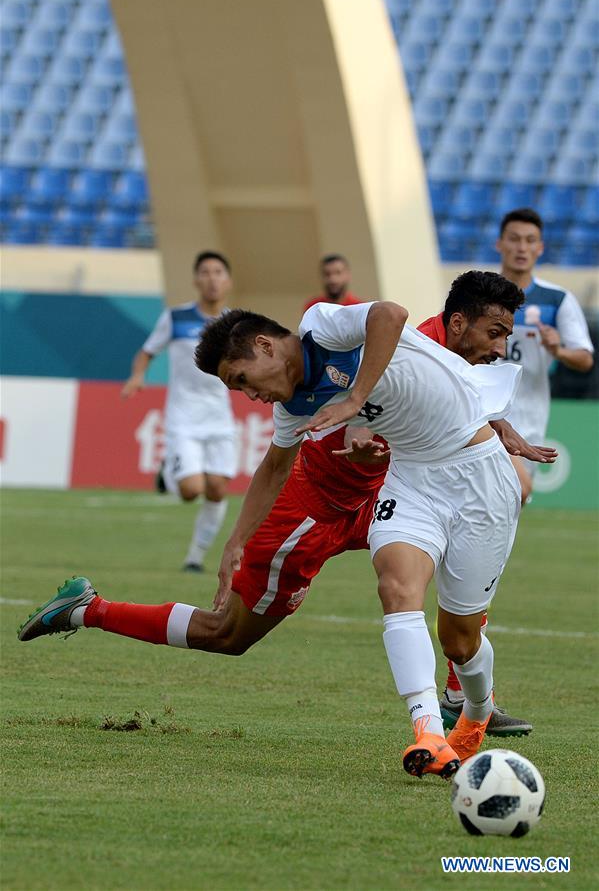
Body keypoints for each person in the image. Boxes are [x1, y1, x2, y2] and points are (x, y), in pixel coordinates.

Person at [20, 275, 533, 782]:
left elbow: (394, 322)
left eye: (242, 379)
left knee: (459, 636)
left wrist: (361, 404)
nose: (249, 395)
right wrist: (235, 543)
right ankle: (428, 730)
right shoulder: (292, 406)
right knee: (242, 629)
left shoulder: (323, 327)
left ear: (265, 345)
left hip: (401, 488)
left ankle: (472, 705)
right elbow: (273, 467)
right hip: (328, 511)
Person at [121, 250, 237, 572]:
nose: (211, 278)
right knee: (191, 491)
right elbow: (146, 352)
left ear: (227, 281)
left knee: (217, 488)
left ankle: (195, 558)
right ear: (195, 280)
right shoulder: (176, 318)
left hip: (219, 418)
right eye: (205, 272)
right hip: (183, 416)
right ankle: (168, 472)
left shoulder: (234, 324)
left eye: (218, 272)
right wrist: (138, 375)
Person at [496, 208, 594, 502]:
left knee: (512, 503)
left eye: (530, 240)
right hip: (483, 413)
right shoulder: (478, 292)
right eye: (514, 239)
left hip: (530, 419)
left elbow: (585, 359)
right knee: (517, 488)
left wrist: (558, 350)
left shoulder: (557, 299)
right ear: (500, 244)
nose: (521, 247)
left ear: (540, 248)